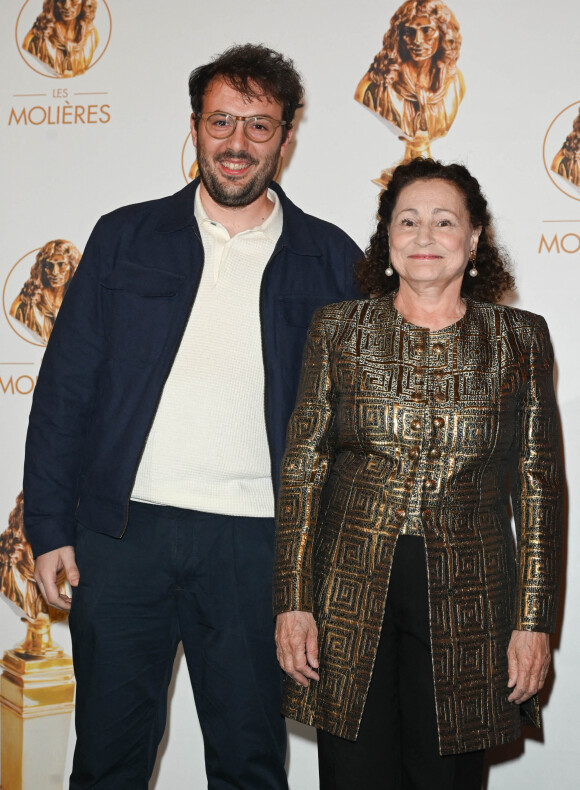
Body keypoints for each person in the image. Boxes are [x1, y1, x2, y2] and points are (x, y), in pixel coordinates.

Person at [23, 44, 361, 789]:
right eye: (221, 122)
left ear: (288, 136)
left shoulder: (331, 259)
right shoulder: (124, 237)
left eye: (259, 126)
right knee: (108, 758)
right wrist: (47, 527)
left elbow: (355, 427)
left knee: (249, 763)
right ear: (195, 125)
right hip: (122, 539)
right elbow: (65, 391)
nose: (237, 144)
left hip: (257, 546)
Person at [274, 158, 563, 790]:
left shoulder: (520, 340)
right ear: (386, 237)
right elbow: (302, 471)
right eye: (407, 221)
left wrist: (533, 620)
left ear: (474, 239)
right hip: (348, 593)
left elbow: (540, 487)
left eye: (443, 222)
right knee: (354, 776)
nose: (424, 237)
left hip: (471, 598)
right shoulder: (339, 330)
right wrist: (293, 602)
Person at [355, 0, 464, 164]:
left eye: (427, 30)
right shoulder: (380, 84)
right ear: (399, 36)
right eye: (409, 32)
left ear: (442, 33)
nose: (418, 40)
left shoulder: (453, 83)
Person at [10, 239, 80, 343]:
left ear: (72, 266)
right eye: (49, 265)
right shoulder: (28, 305)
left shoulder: (80, 301)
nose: (55, 272)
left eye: (61, 264)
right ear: (42, 268)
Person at [22, 0, 99, 78]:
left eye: (74, 0)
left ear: (84, 2)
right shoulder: (41, 38)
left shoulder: (91, 35)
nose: (66, 6)